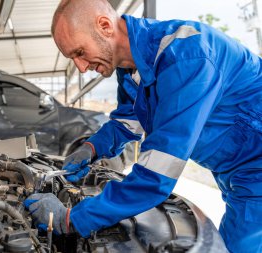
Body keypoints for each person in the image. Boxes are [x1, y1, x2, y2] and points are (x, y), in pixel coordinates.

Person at [24, 0, 262, 252]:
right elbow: (129, 121)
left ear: (105, 26)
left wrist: (72, 219)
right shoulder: (130, 68)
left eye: (80, 52)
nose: (81, 67)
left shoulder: (187, 58)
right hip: (236, 173)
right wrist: (91, 148)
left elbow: (157, 172)